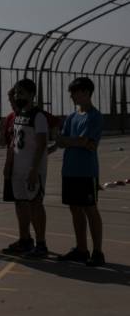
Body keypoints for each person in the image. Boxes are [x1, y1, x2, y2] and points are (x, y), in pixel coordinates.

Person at [56, 77, 105, 267]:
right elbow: (67, 141)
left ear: (85, 92)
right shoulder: (72, 117)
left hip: (86, 172)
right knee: (75, 209)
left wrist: (71, 141)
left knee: (90, 209)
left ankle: (98, 251)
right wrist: (71, 141)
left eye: (74, 92)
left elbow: (87, 143)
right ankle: (81, 249)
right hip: (69, 171)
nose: (71, 96)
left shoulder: (95, 116)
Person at [3, 79, 50, 258]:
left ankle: (41, 244)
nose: (17, 96)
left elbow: (41, 145)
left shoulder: (38, 116)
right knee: (20, 204)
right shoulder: (19, 114)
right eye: (16, 93)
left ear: (31, 94)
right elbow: (14, 141)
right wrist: (8, 164)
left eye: (21, 93)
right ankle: (24, 239)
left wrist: (33, 170)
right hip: (17, 168)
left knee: (35, 205)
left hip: (32, 170)